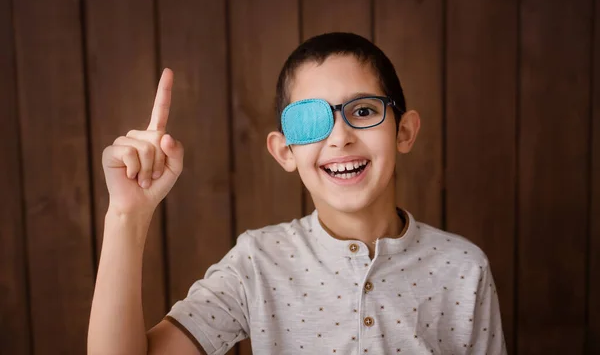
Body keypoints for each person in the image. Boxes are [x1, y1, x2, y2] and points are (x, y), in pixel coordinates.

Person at [88, 32, 507, 354]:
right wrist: (127, 214)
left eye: (363, 111)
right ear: (285, 150)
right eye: (311, 121)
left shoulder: (463, 269)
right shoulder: (257, 262)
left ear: (405, 130)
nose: (340, 138)